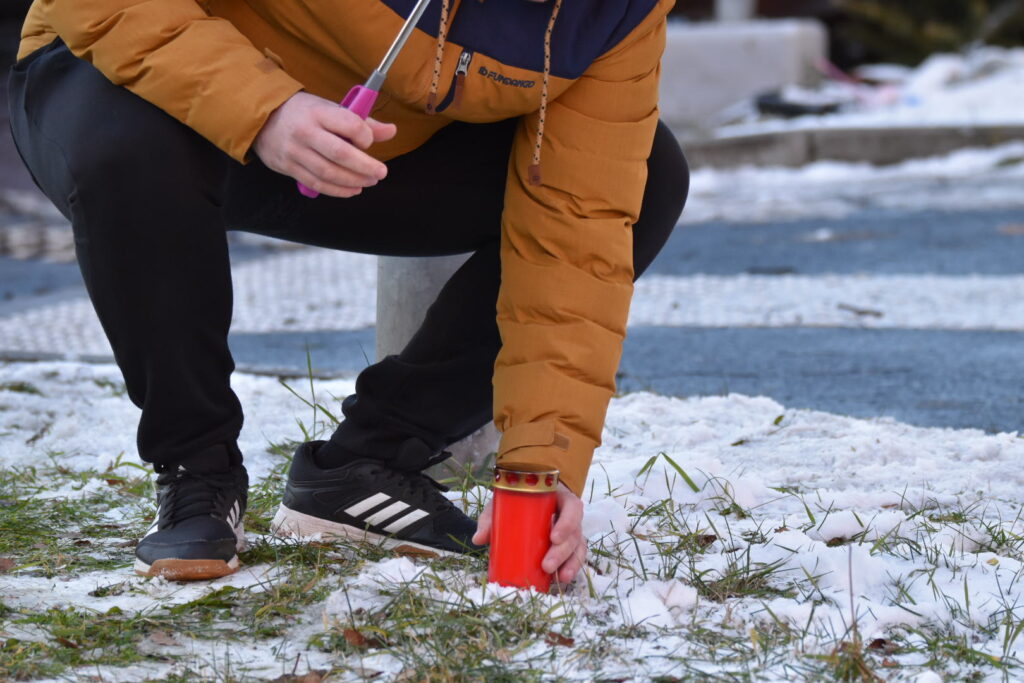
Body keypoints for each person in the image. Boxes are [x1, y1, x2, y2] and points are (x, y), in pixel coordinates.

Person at [8, 0, 689, 584]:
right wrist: (263, 109)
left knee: (643, 178)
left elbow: (578, 228)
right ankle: (196, 469)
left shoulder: (616, 14)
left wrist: (544, 466)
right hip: (134, 81)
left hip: (357, 146)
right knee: (128, 146)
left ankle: (368, 461)